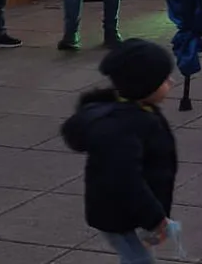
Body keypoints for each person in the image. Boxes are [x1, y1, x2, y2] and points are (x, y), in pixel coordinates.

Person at [61, 39, 179, 264]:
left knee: (138, 253)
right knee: (138, 258)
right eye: (164, 79)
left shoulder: (138, 111)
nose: (171, 82)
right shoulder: (122, 127)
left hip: (129, 206)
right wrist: (154, 217)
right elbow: (125, 179)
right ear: (144, 86)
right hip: (116, 210)